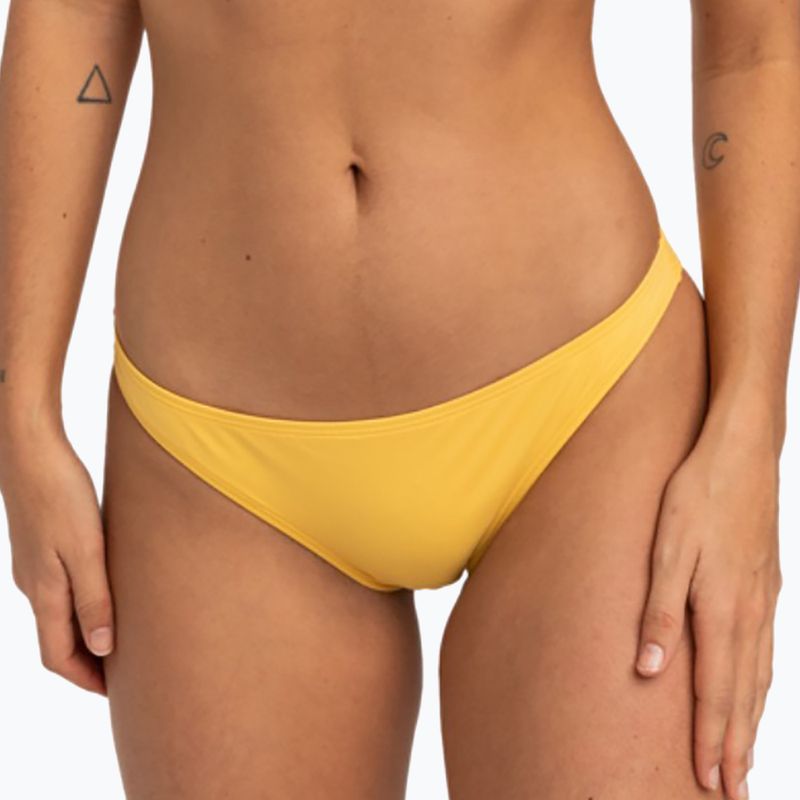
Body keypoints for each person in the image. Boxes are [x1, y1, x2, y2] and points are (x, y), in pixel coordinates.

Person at [0, 0, 796, 798]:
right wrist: (20, 414)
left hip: (588, 410)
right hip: (215, 463)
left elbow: (753, 45)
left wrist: (750, 431)